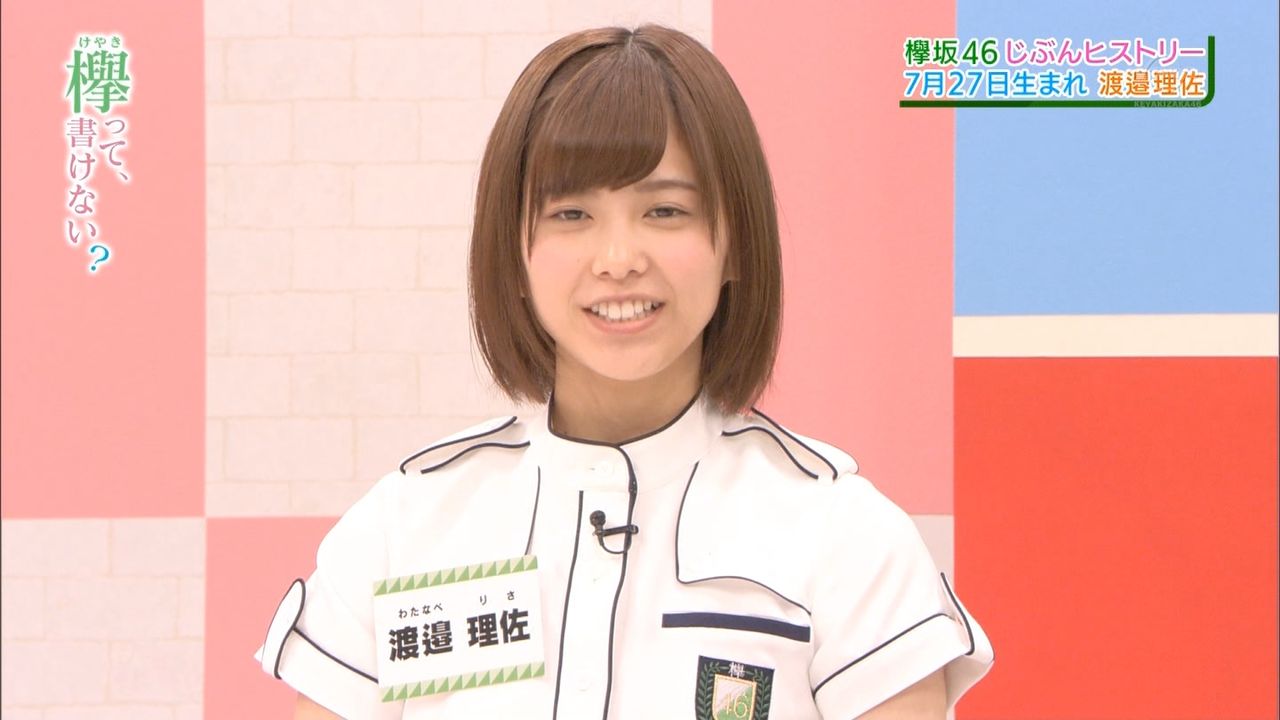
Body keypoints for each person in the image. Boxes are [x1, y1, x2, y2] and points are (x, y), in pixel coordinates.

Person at [255, 23, 994, 719]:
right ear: (513, 253)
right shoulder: (404, 528)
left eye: (665, 211)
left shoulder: (843, 535)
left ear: (735, 243)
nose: (617, 259)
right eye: (571, 215)